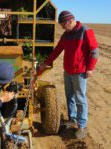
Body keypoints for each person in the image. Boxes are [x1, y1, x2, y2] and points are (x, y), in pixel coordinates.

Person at [38, 11, 99, 139]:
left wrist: (90, 68)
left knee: (80, 98)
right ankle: (72, 119)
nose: (63, 28)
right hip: (68, 71)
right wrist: (46, 63)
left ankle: (82, 126)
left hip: (80, 72)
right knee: (69, 96)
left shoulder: (85, 31)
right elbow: (57, 50)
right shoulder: (66, 35)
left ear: (70, 21)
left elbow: (94, 51)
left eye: (63, 25)